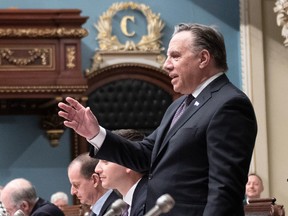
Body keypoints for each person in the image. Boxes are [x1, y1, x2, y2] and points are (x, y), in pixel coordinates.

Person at [58, 23, 258, 216]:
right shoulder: (178, 106)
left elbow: (224, 189)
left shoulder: (229, 104)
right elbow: (145, 154)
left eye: (175, 56)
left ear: (203, 58)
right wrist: (95, 133)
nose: (166, 64)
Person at [95, 129, 147, 216]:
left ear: (129, 162)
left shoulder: (149, 202)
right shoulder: (126, 205)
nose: (97, 169)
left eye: (105, 161)